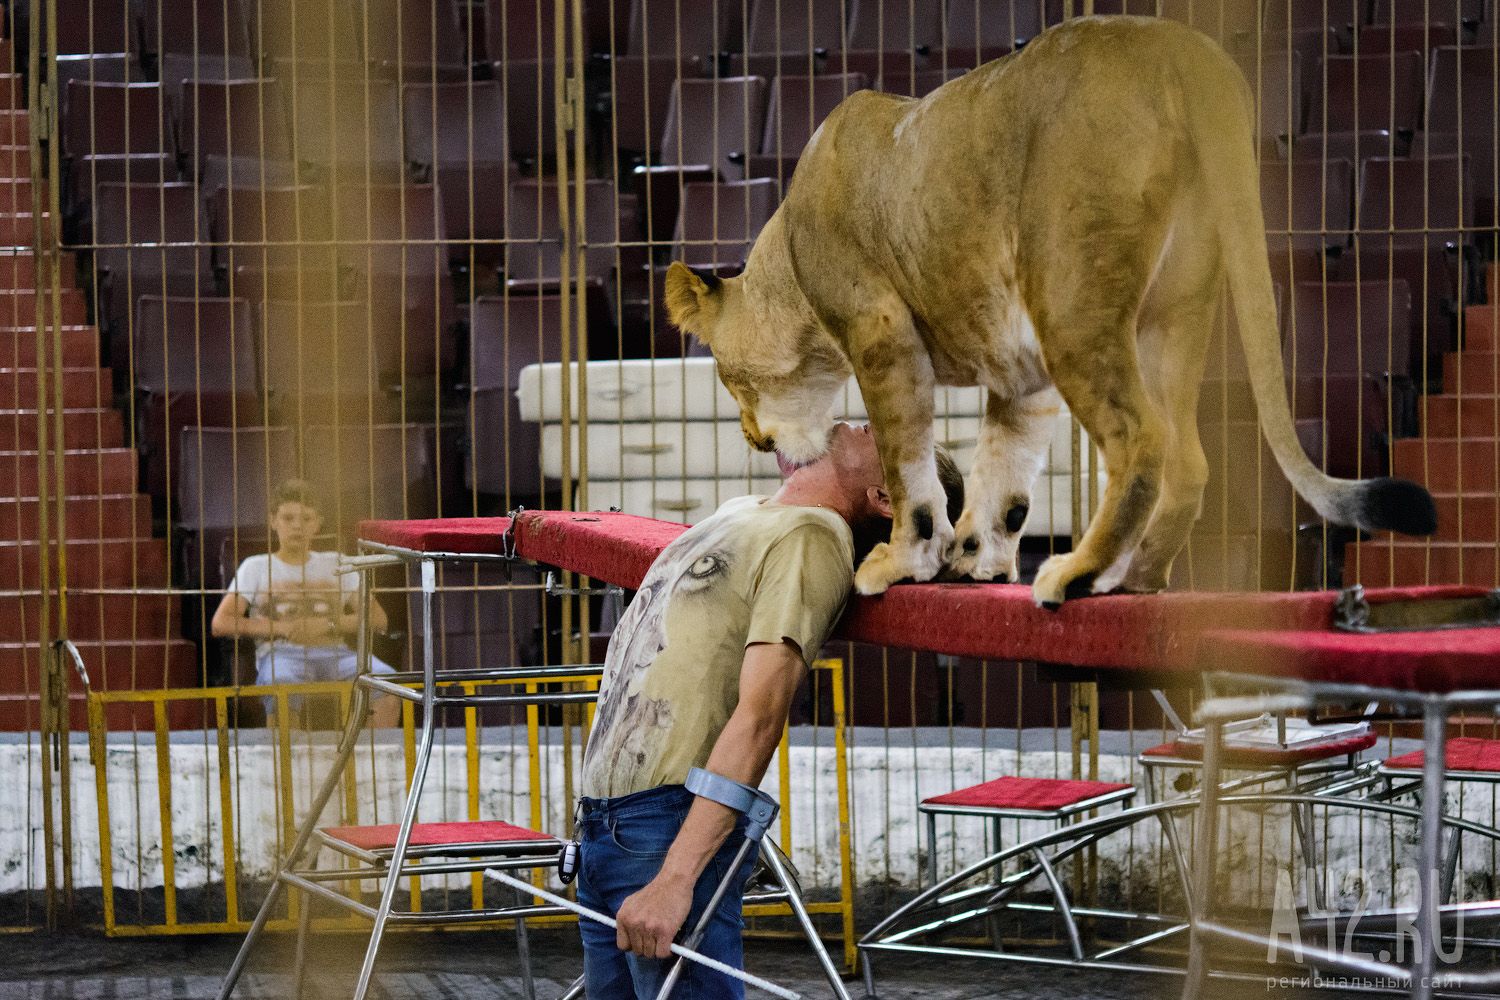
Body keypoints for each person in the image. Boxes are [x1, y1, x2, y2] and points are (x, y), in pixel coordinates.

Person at [576, 423, 965, 999]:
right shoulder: (747, 510)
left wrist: (677, 877)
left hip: (665, 827)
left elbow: (761, 717)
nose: (865, 418)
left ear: (883, 498)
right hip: (606, 825)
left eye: (883, 432)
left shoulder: (811, 535)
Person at [210, 478, 400, 728]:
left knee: (387, 684)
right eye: (288, 518)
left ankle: (374, 763)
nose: (297, 526)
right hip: (281, 655)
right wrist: (282, 628)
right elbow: (220, 623)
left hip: (338, 653)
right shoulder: (254, 567)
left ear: (318, 524)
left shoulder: (338, 562)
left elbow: (378, 619)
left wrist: (326, 625)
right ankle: (285, 765)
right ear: (273, 521)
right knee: (282, 687)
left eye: (306, 519)